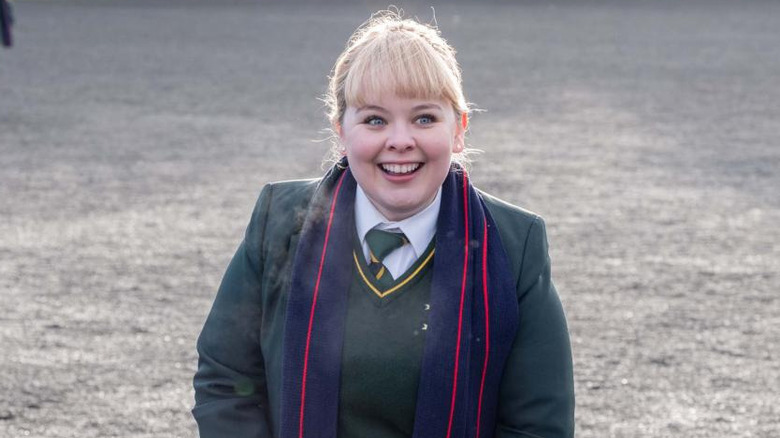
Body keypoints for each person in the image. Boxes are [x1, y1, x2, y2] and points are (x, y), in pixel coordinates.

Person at [193, 10, 574, 438]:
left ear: (459, 129)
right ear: (341, 130)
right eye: (375, 119)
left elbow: (538, 425)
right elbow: (226, 380)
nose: (400, 140)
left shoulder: (514, 245)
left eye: (424, 118)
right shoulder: (278, 223)